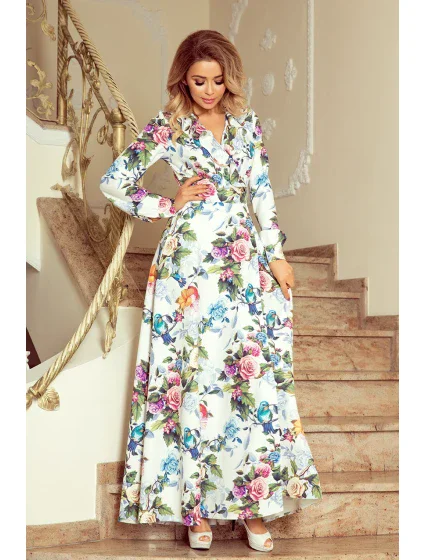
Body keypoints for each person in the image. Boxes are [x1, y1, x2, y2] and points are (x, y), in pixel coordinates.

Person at [99, 29, 322, 553]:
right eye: (199, 81)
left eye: (218, 80)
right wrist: (166, 204)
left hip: (241, 260)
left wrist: (277, 255)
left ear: (229, 80)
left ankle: (253, 509)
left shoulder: (246, 126)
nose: (209, 90)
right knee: (194, 378)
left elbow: (261, 193)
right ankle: (195, 510)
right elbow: (114, 182)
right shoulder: (168, 126)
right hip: (188, 264)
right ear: (183, 79)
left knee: (247, 379)